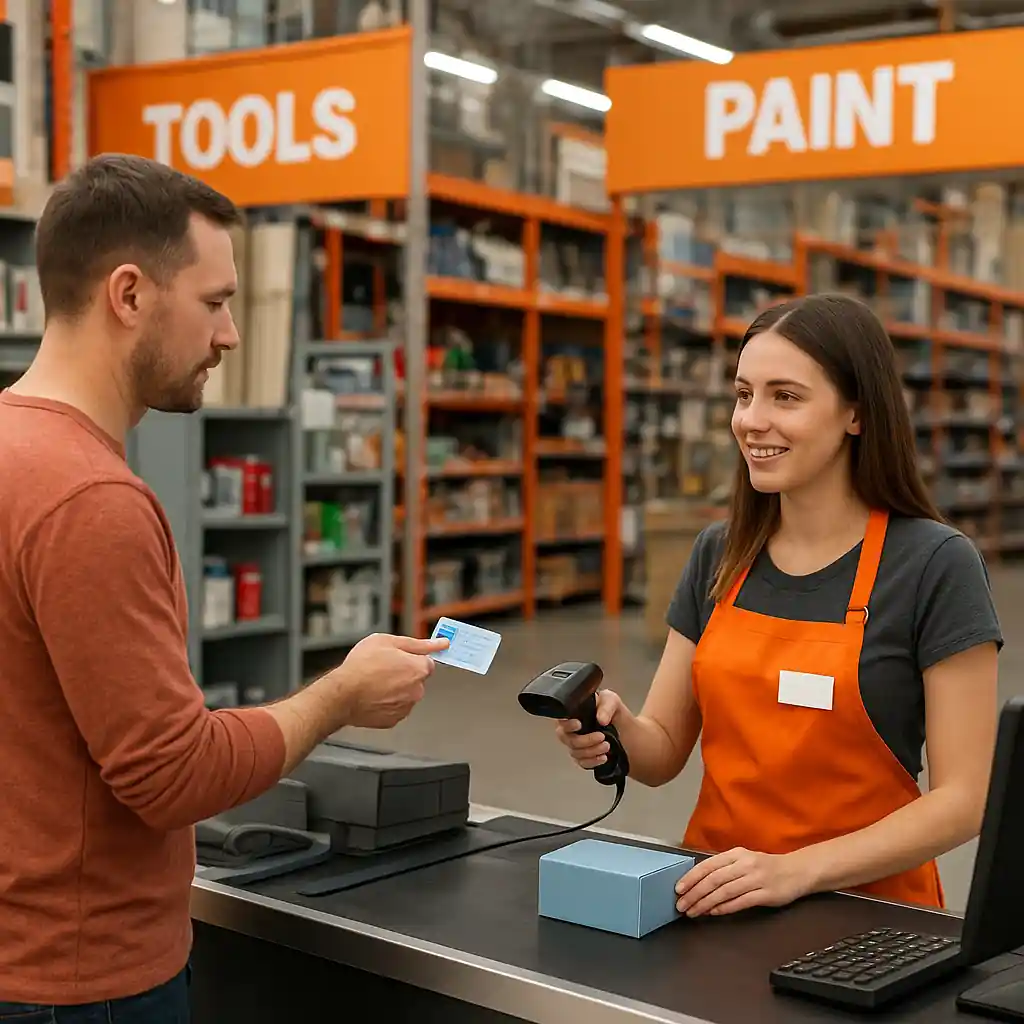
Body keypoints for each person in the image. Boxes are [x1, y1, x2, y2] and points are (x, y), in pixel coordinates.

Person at [0, 153, 448, 1020]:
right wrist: (340, 696)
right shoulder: (90, 500)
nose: (232, 334)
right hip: (80, 983)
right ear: (129, 295)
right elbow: (172, 775)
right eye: (213, 302)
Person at [557, 293, 1001, 918]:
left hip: (869, 921)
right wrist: (615, 729)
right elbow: (661, 753)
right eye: (744, 395)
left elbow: (965, 799)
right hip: (714, 898)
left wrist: (796, 871)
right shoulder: (721, 554)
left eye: (785, 397)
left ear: (856, 413)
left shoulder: (934, 565)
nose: (751, 420)